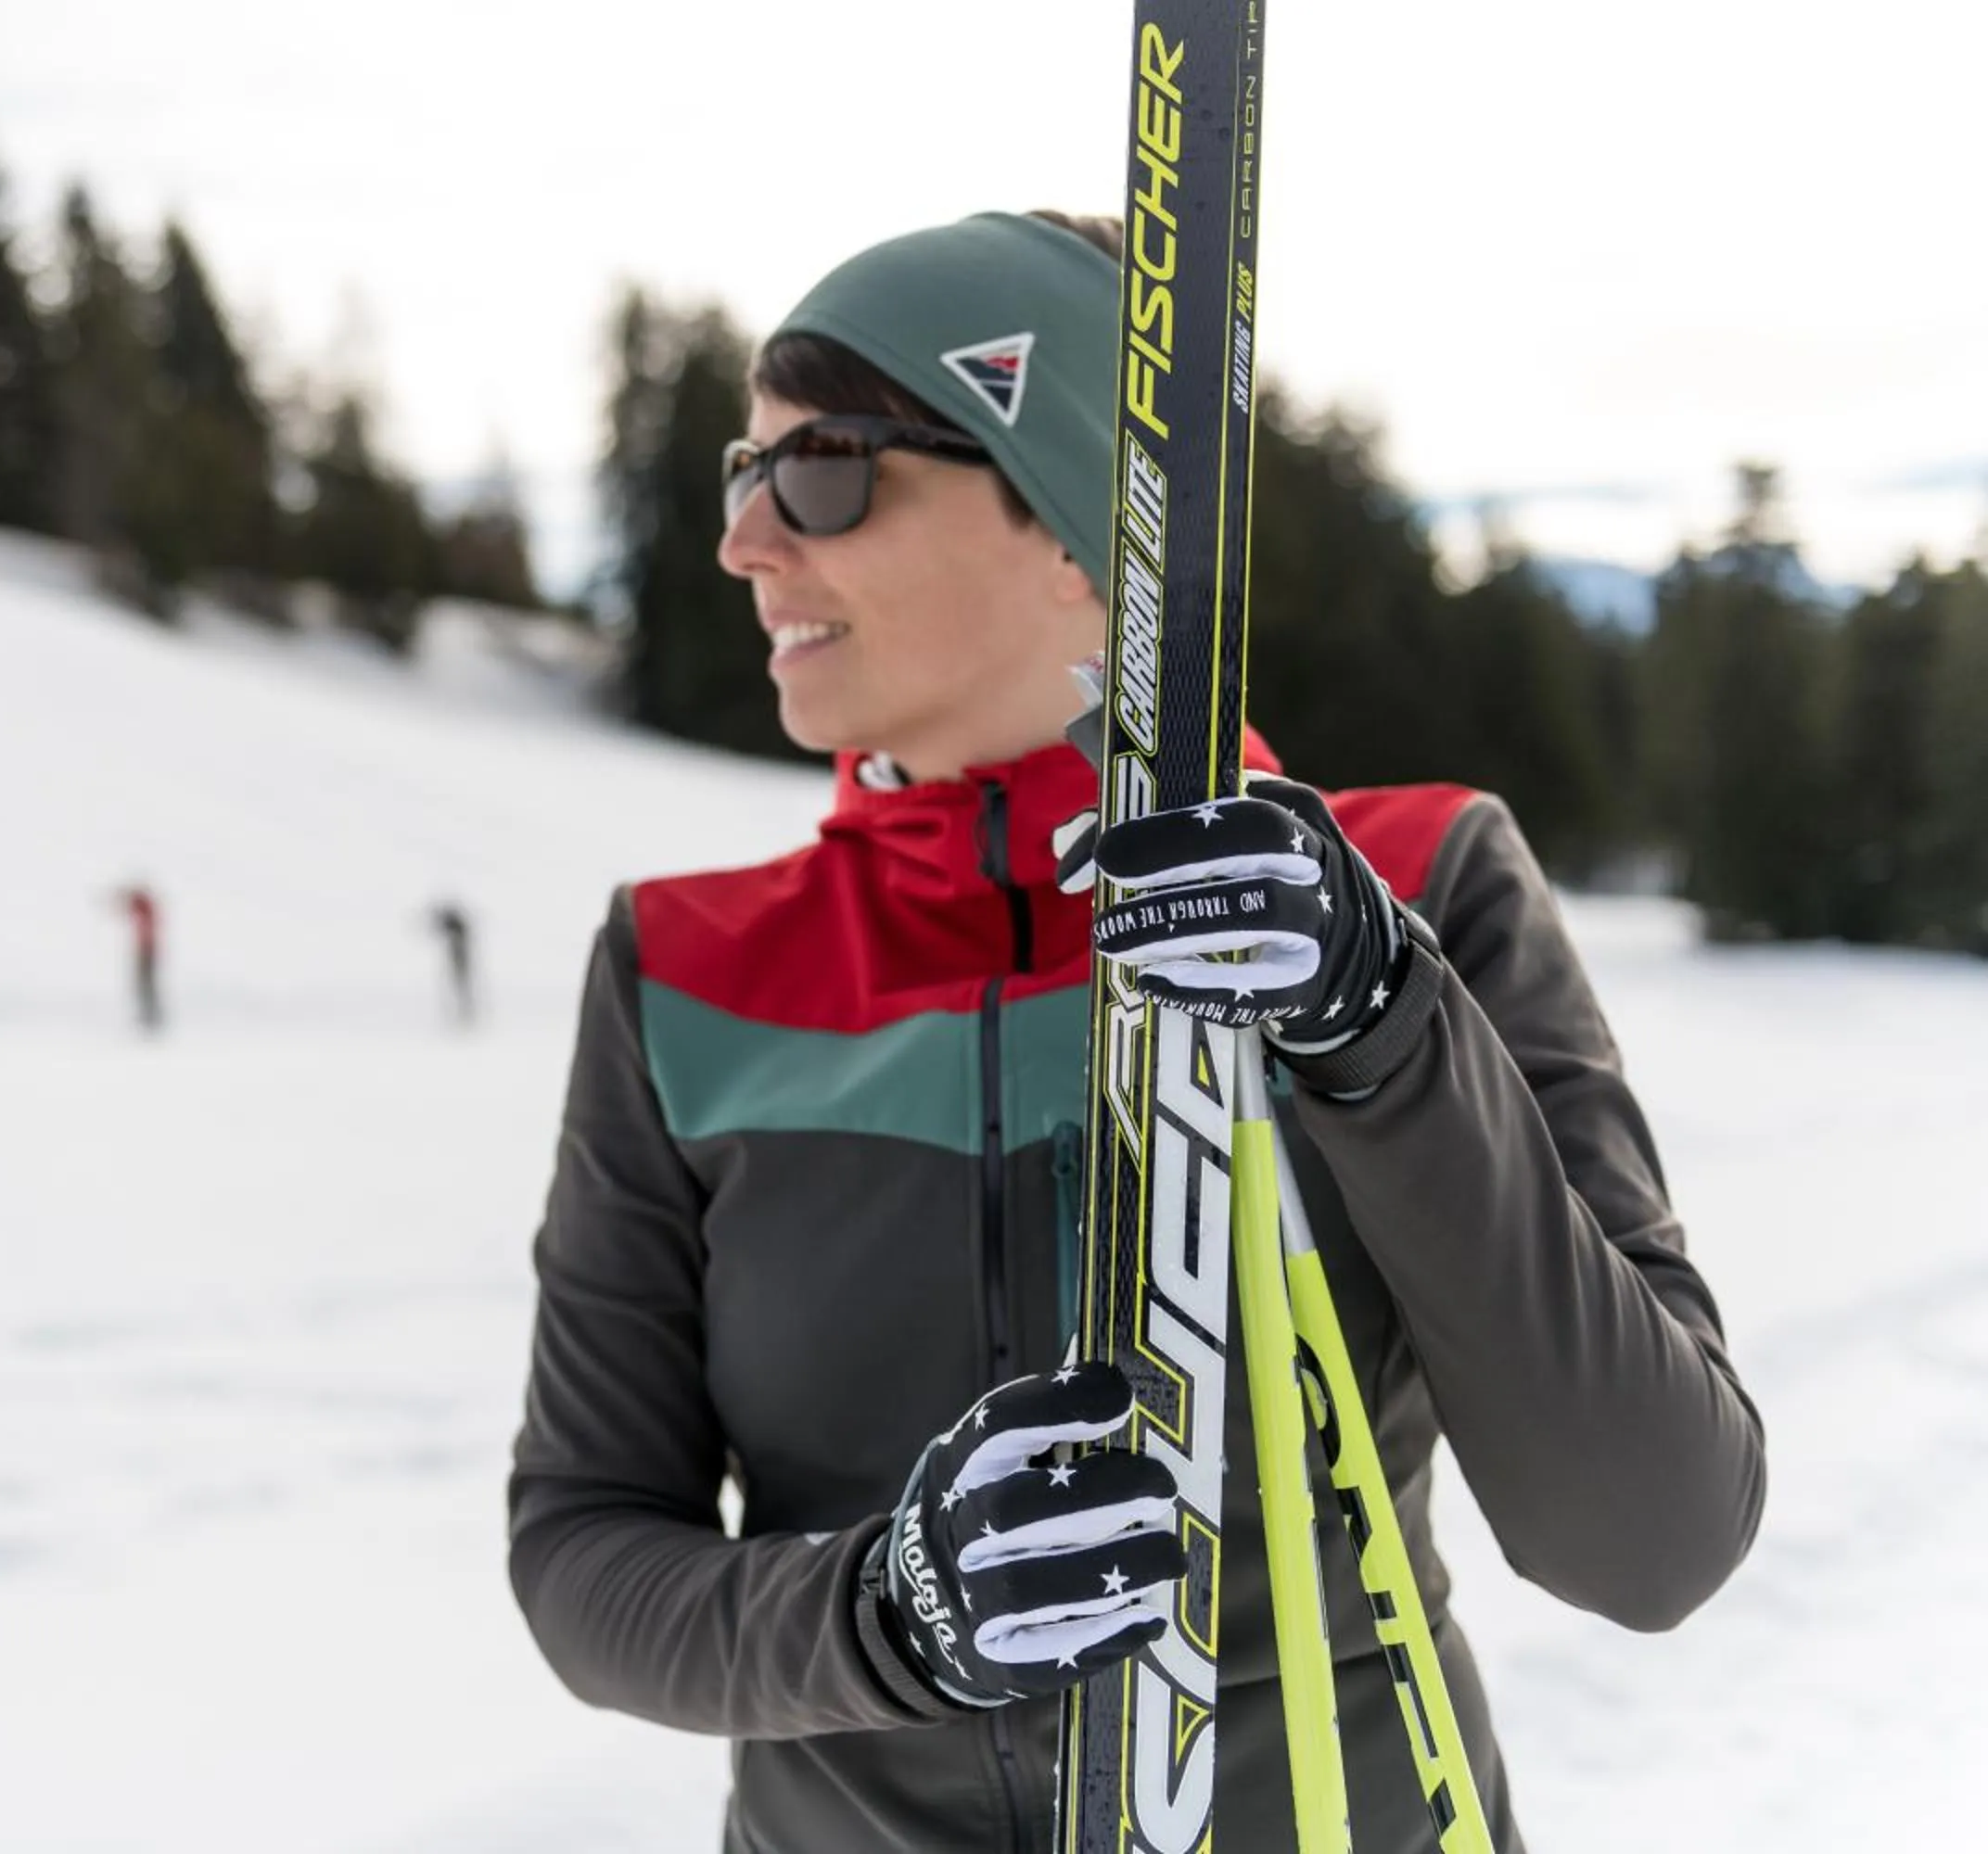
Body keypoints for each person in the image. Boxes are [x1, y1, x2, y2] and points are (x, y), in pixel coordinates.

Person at [503, 210, 1766, 1853]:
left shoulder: (1414, 885)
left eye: (819, 473)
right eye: (741, 478)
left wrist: (1378, 1025)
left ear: (1089, 519)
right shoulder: (687, 970)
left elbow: (1653, 1534)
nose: (748, 542)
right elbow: (587, 1553)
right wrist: (884, 1616)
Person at [115, 883, 162, 1033]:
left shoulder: (144, 906)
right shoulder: (145, 906)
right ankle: (148, 1013)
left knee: (145, 982)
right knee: (144, 982)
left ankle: (150, 1014)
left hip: (146, 949)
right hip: (146, 948)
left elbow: (130, 908)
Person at [429, 899, 478, 1027]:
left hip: (459, 958)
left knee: (461, 983)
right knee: (460, 984)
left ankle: (465, 1010)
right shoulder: (457, 925)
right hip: (458, 958)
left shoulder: (456, 926)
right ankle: (463, 1010)